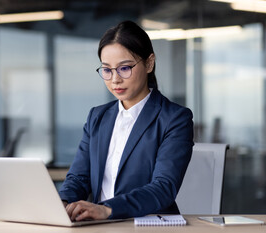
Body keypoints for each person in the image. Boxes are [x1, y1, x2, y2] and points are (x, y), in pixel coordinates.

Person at [58, 20, 194, 221]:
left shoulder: (175, 118)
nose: (115, 80)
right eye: (107, 70)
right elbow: (79, 177)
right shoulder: (97, 117)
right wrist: (62, 203)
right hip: (99, 228)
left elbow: (163, 188)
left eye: (125, 68)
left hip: (150, 228)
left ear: (149, 63)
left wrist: (107, 209)